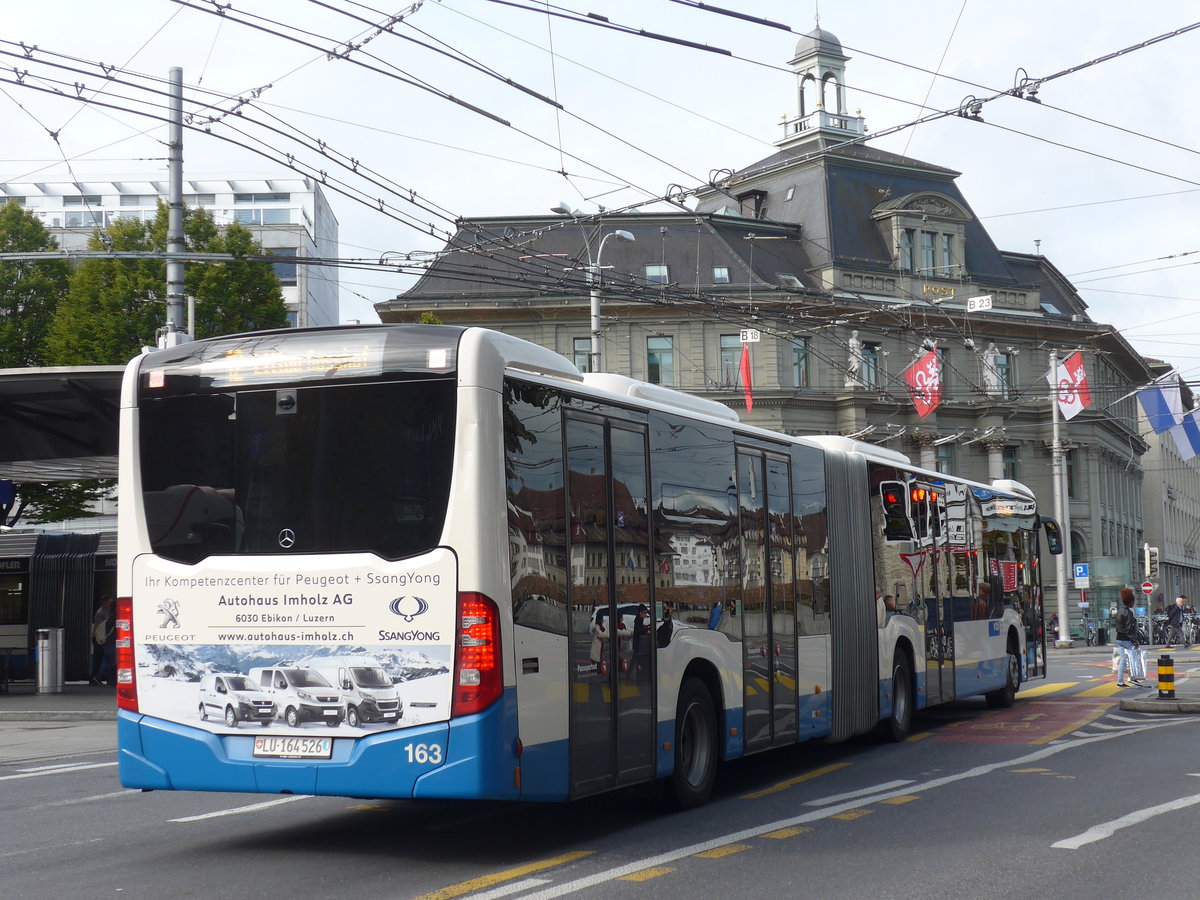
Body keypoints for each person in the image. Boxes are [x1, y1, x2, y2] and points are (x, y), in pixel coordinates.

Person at [1114, 587, 1147, 687]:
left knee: (1123, 660)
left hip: (1119, 638)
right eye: (1133, 601)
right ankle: (1133, 677)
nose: (1134, 603)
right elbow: (1129, 629)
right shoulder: (1128, 613)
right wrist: (1135, 641)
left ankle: (1120, 681)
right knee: (1134, 657)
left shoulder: (1119, 611)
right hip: (1126, 639)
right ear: (1130, 601)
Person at [90, 597, 114, 685]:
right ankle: (96, 677)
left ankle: (100, 677)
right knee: (103, 659)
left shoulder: (107, 612)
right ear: (104, 602)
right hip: (100, 638)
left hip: (102, 638)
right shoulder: (101, 612)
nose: (110, 605)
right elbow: (101, 627)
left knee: (104, 658)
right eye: (109, 603)